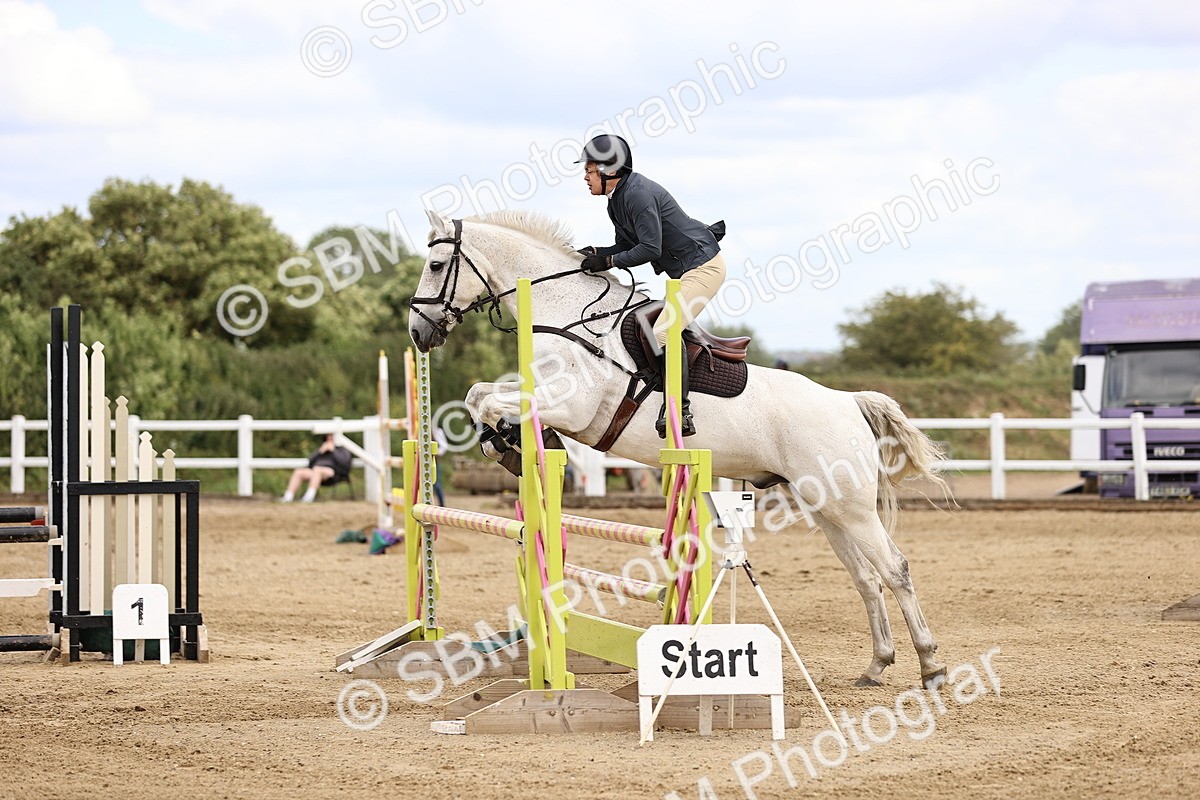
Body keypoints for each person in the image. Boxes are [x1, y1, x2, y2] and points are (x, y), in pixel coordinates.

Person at [574, 133, 726, 438]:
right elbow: (624, 245)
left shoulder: (637, 195)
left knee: (663, 331)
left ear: (610, 170)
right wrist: (598, 253)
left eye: (589, 171)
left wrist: (608, 263)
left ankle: (679, 410)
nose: (585, 178)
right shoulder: (616, 201)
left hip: (705, 268)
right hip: (686, 272)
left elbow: (649, 249)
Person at [281, 433, 352, 502]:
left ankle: (308, 497)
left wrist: (333, 451)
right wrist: (319, 451)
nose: (329, 438)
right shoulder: (321, 448)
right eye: (328, 436)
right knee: (299, 472)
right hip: (315, 471)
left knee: (317, 470)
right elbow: (310, 462)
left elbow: (344, 463)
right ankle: (288, 497)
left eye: (331, 436)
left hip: (332, 472)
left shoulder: (342, 449)